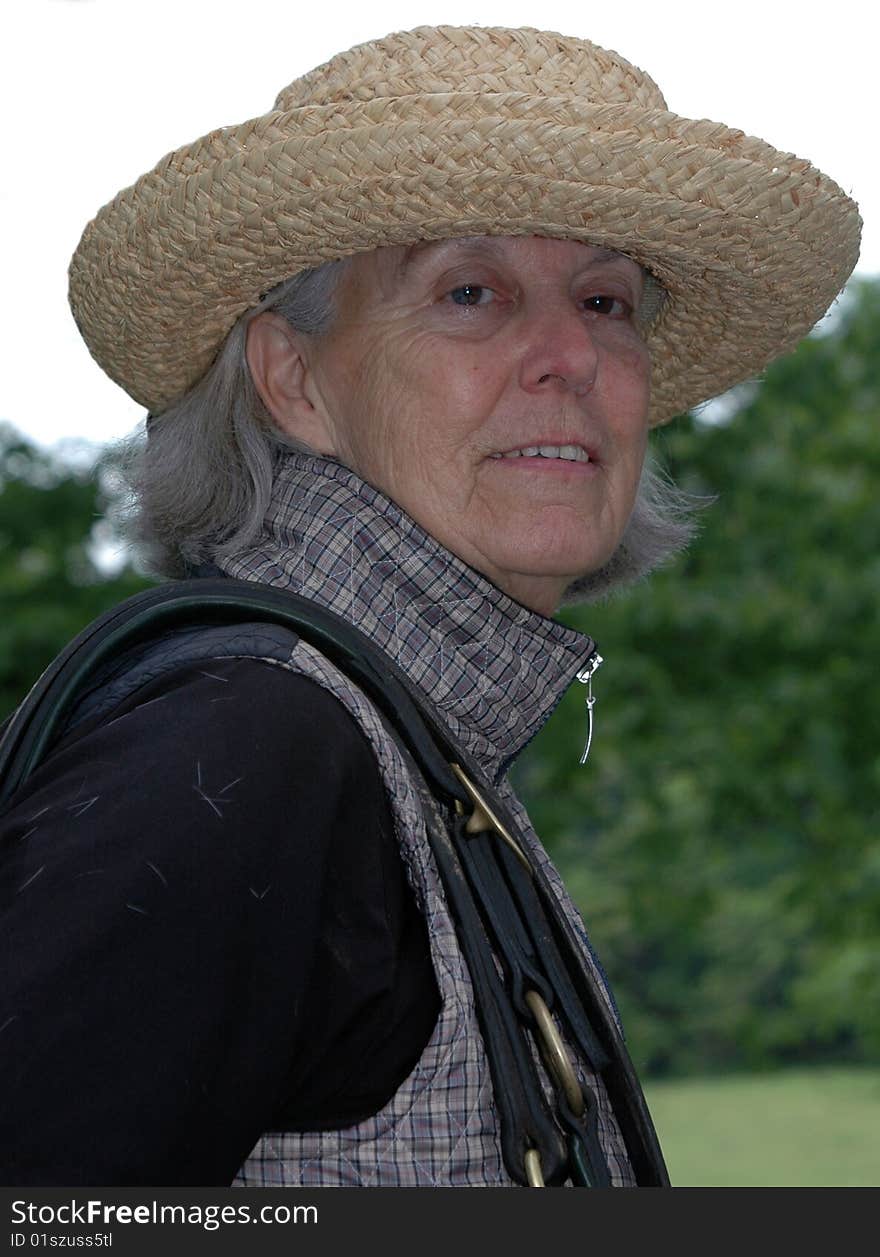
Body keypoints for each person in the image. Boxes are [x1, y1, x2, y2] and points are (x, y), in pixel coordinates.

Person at [0, 25, 859, 1187]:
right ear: (292, 380)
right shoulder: (248, 746)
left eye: (607, 302)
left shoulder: (400, 741)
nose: (570, 354)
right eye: (470, 292)